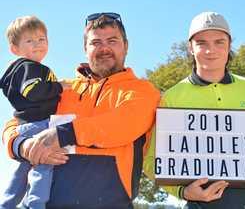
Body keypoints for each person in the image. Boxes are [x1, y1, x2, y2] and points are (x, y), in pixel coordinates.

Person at [2, 12, 160, 209]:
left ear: (126, 46)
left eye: (112, 41)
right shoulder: (62, 88)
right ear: (85, 48)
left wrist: (63, 133)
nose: (104, 48)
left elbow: (123, 123)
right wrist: (20, 145)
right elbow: (17, 123)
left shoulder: (142, 91)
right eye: (95, 42)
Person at [143, 11, 245, 208]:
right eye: (202, 43)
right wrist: (182, 191)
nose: (211, 51)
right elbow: (150, 160)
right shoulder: (171, 97)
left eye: (219, 42)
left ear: (229, 46)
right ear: (190, 47)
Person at [0, 15, 69, 209]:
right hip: (39, 124)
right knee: (44, 163)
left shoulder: (17, 70)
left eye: (41, 39)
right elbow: (33, 91)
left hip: (25, 126)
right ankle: (36, 204)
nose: (37, 44)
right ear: (15, 49)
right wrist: (59, 86)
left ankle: (7, 203)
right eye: (29, 40)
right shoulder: (30, 67)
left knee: (22, 168)